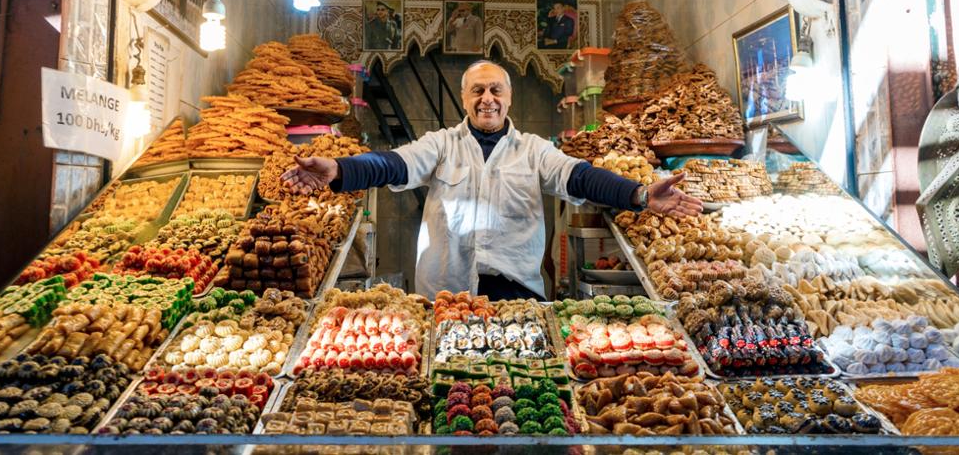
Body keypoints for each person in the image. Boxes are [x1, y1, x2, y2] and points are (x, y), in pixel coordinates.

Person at [282, 60, 701, 299]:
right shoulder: (442, 144)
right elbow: (394, 164)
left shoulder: (534, 150)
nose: (488, 99)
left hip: (517, 291)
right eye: (478, 91)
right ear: (465, 98)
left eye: (496, 90)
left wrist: (640, 194)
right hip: (445, 294)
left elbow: (579, 177)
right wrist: (340, 171)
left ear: (509, 98)